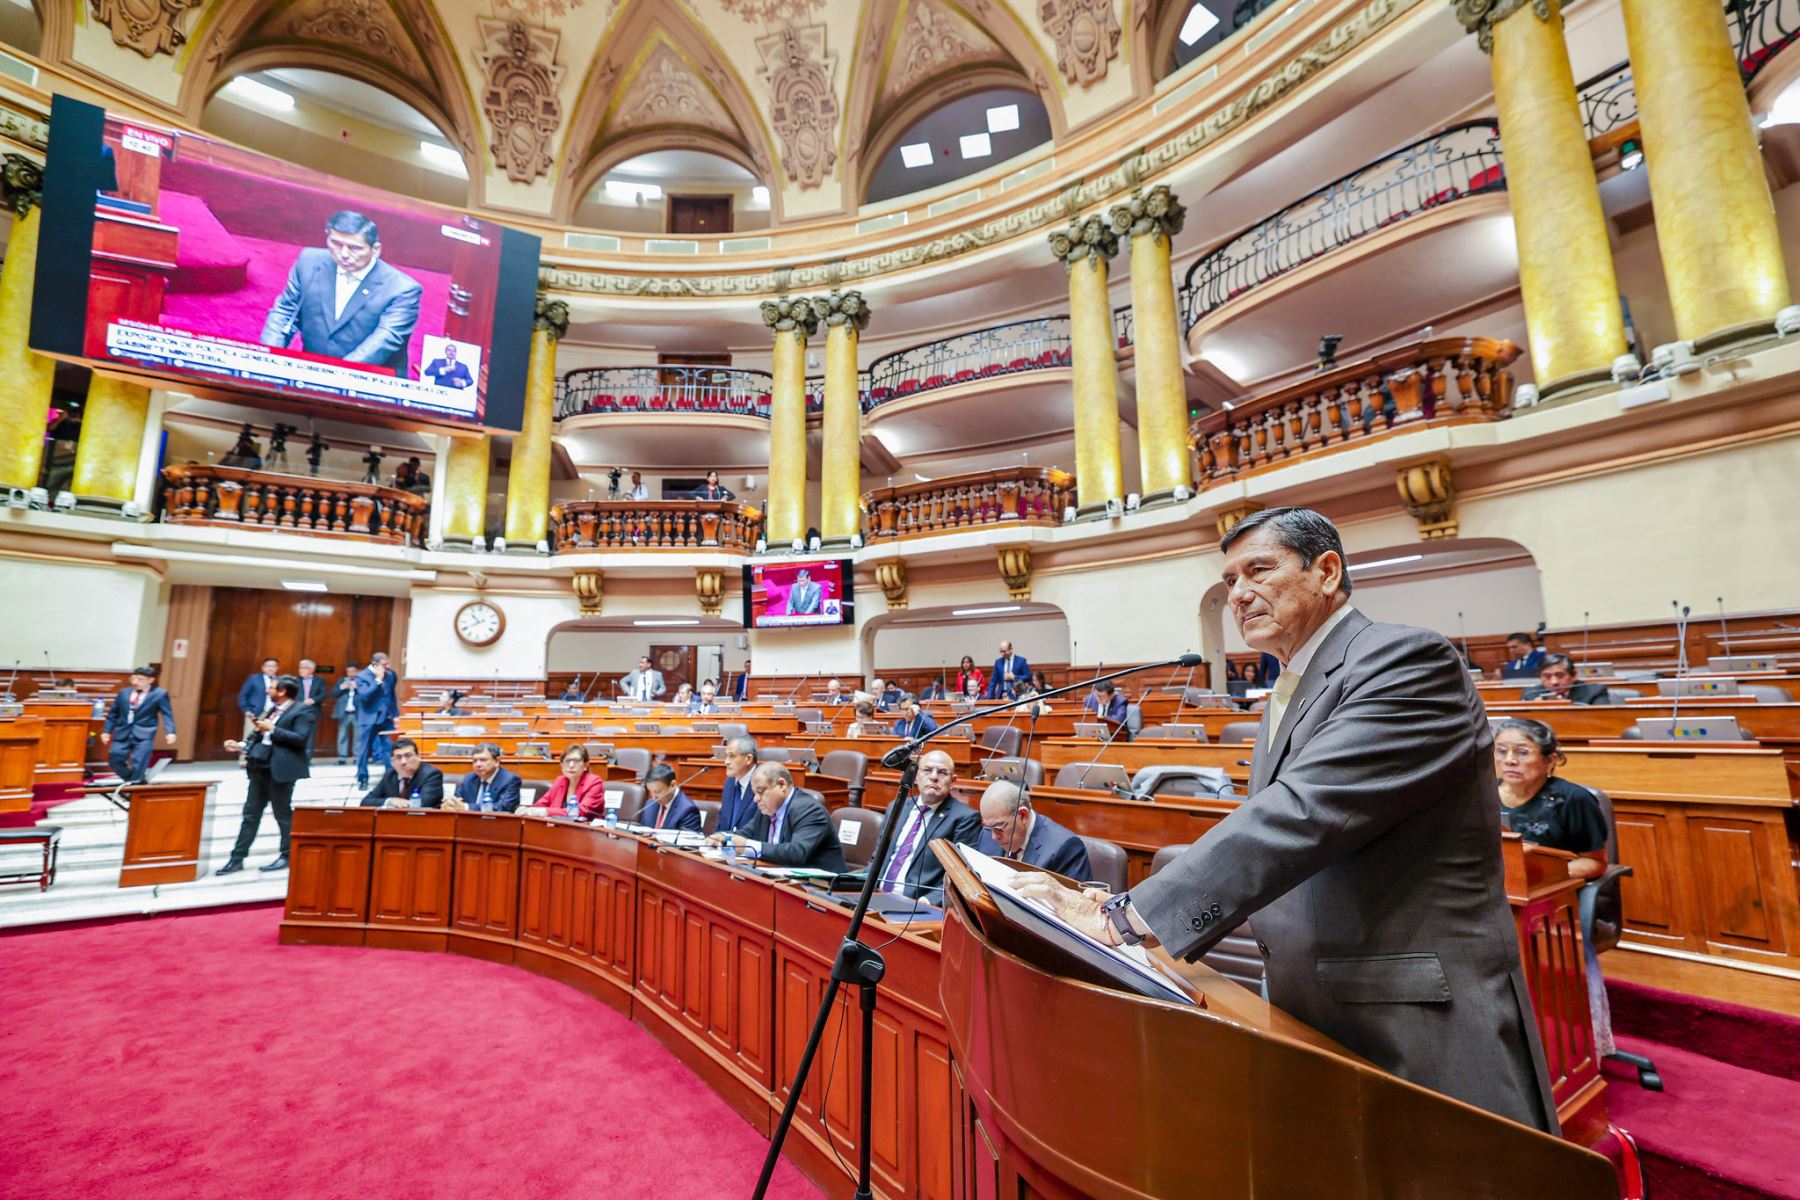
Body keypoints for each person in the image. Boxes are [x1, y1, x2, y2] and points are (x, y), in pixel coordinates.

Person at [1025, 506, 1558, 1132]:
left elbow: (1302, 813)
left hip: (1408, 1010)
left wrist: (1126, 917)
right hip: (1316, 997)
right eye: (1229, 582)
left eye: (1259, 570)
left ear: (1327, 572)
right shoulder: (1292, 686)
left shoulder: (1405, 661)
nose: (1239, 595)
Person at [1494, 717, 1617, 1059]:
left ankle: (1568, 1048)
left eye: (1521, 752)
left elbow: (1594, 863)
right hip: (1496, 899)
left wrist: (1538, 875)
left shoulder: (1573, 799)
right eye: (1501, 751)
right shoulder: (1481, 795)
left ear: (1550, 760)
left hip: (1553, 905)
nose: (1509, 760)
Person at [259, 210, 422, 374]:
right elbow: (284, 312)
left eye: (354, 248)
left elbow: (384, 340)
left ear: (375, 250)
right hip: (311, 371)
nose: (344, 254)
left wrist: (334, 375)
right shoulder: (308, 261)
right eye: (336, 244)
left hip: (369, 379)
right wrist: (270, 358)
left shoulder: (402, 289)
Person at [217, 675, 316, 874]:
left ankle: (286, 855)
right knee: (250, 814)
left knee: (282, 814)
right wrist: (241, 745)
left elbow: (301, 738)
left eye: (271, 688)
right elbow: (260, 737)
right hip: (260, 767)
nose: (267, 690)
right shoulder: (272, 710)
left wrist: (274, 729)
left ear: (282, 691)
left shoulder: (303, 710)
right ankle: (237, 858)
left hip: (280, 770)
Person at [870, 749, 980, 901]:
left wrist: (928, 902)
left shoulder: (964, 819)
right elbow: (877, 859)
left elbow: (961, 878)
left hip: (918, 906)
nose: (934, 777)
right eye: (927, 770)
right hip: (875, 895)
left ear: (953, 781)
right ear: (916, 777)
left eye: (942, 772)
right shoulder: (897, 807)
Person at [707, 762, 846, 872]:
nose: (756, 799)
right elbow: (745, 834)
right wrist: (724, 837)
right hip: (783, 882)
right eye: (755, 793)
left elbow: (797, 852)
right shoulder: (767, 809)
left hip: (823, 891)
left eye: (760, 792)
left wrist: (747, 846)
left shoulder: (809, 810)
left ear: (782, 785)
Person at [977, 780, 1091, 880]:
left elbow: (1075, 901)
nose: (994, 836)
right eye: (988, 827)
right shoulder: (986, 836)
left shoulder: (1065, 848)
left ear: (1023, 815)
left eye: (998, 827)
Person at [101, 665, 177, 784]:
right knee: (114, 758)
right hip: (123, 731)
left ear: (151, 680)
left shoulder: (159, 694)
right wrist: (106, 731)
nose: (136, 682)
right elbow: (113, 713)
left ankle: (134, 788)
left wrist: (170, 731)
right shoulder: (124, 692)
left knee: (139, 762)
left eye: (140, 679)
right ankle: (135, 781)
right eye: (134, 679)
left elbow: (167, 714)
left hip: (145, 733)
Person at [352, 652, 400, 788]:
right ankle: (362, 778)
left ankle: (391, 778)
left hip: (386, 718)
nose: (388, 667)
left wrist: (396, 715)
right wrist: (378, 681)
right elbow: (365, 696)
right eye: (385, 665)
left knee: (389, 749)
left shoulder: (390, 675)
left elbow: (392, 696)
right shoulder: (361, 676)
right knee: (364, 749)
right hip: (369, 717)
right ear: (376, 664)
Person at [360, 738, 444, 808]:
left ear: (418, 757)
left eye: (408, 756)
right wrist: (390, 801)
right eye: (398, 757)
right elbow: (365, 802)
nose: (403, 762)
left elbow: (422, 805)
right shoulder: (390, 775)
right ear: (392, 762)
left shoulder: (432, 775)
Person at [446, 743, 521, 813]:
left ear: (497, 761)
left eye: (483, 760)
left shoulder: (510, 780)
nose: (478, 764)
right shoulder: (469, 778)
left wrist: (466, 807)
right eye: (475, 761)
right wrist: (451, 804)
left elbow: (504, 808)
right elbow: (457, 800)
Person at [539, 744, 607, 819]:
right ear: (561, 765)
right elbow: (541, 804)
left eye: (576, 761)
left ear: (585, 765)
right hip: (557, 827)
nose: (571, 765)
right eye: (567, 761)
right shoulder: (560, 781)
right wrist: (528, 810)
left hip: (584, 829)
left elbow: (580, 811)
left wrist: (546, 812)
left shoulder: (594, 782)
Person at [1522, 653, 1610, 705]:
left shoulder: (1594, 691)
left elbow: (1603, 720)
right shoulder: (1530, 694)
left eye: (1560, 675)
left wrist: (1568, 708)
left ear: (1574, 675)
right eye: (1547, 676)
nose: (1554, 682)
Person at [715, 736, 761, 833]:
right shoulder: (729, 782)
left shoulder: (763, 783)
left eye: (732, 756)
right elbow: (722, 822)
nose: (726, 762)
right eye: (726, 756)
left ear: (748, 759)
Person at [639, 762, 703, 832]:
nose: (653, 797)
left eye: (657, 792)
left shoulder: (688, 811)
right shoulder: (649, 805)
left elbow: (688, 842)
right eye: (650, 791)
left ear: (672, 785)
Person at [238, 657, 280, 737]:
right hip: (255, 712)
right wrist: (247, 710)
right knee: (249, 736)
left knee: (269, 737)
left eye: (273, 666)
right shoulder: (254, 678)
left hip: (274, 713)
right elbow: (243, 695)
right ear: (263, 667)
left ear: (277, 668)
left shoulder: (280, 680)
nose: (271, 668)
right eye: (268, 666)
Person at [332, 660, 359, 764]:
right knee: (342, 735)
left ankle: (356, 757)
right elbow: (334, 694)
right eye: (349, 672)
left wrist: (358, 687)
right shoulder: (341, 680)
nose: (350, 674)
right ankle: (342, 757)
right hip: (344, 712)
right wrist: (342, 687)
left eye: (353, 671)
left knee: (358, 736)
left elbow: (366, 695)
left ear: (357, 671)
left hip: (357, 712)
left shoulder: (361, 681)